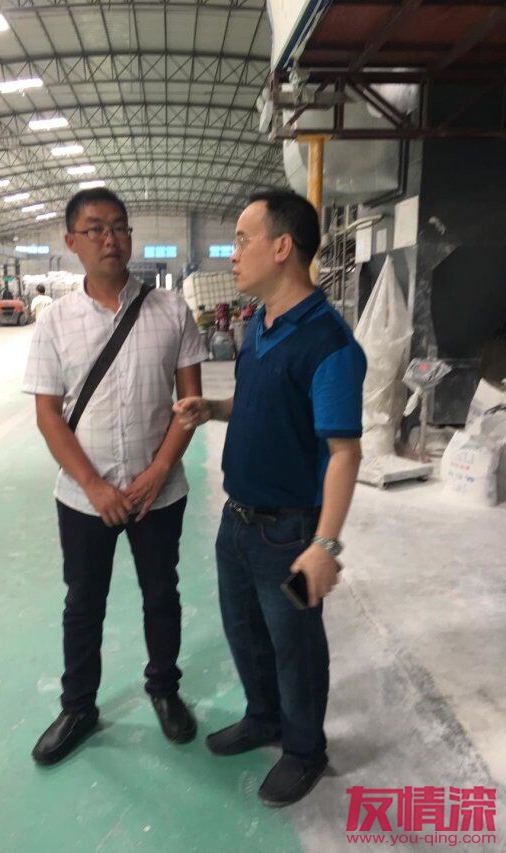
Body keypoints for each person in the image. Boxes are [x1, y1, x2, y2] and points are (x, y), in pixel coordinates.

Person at [173, 189, 366, 806]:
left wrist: (324, 544)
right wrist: (214, 409)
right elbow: (265, 403)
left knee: (295, 647)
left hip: (289, 531)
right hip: (238, 519)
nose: (232, 255)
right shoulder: (260, 324)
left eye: (242, 240)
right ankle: (264, 718)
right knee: (246, 633)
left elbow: (344, 453)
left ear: (282, 247)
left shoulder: (329, 344)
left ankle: (305, 749)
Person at [22, 187, 208, 765]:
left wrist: (159, 470)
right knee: (84, 603)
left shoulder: (171, 310)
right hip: (85, 498)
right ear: (71, 241)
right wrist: (94, 486)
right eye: (96, 228)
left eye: (120, 226)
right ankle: (78, 707)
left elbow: (190, 404)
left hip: (159, 492)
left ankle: (165, 690)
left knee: (161, 594)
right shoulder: (55, 323)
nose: (111, 238)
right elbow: (48, 415)